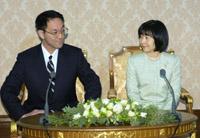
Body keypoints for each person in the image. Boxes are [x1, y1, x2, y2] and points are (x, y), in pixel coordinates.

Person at [0, 10, 101, 121]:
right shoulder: (26, 59)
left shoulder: (74, 55)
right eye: (55, 32)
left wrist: (86, 109)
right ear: (41, 34)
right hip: (37, 121)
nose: (61, 36)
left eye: (63, 30)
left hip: (69, 119)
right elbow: (7, 91)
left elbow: (93, 82)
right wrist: (22, 115)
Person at [126, 20, 181, 110]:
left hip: (166, 112)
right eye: (141, 37)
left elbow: (174, 92)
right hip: (141, 111)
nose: (142, 41)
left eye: (146, 37)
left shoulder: (173, 61)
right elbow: (132, 92)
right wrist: (143, 112)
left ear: (158, 38)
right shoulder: (134, 61)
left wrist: (164, 113)